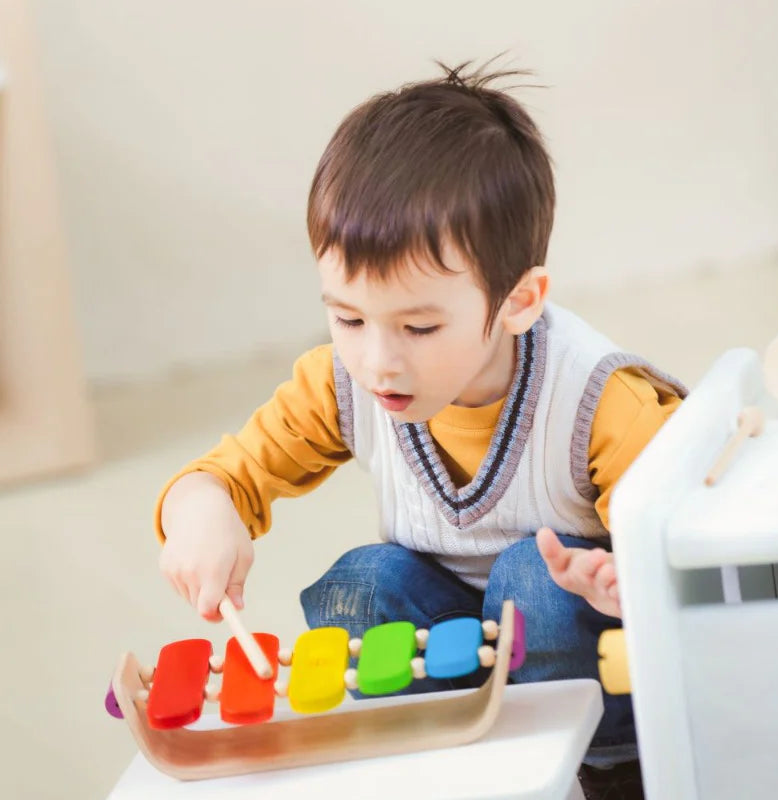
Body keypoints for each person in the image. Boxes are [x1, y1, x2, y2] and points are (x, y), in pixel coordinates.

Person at [155, 61, 686, 799]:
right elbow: (225, 475)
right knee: (362, 585)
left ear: (519, 301)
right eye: (348, 318)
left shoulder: (599, 401)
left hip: (589, 670)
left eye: (419, 327)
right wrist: (203, 512)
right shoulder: (341, 384)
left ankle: (609, 772)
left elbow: (694, 542)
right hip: (456, 651)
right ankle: (445, 755)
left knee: (532, 580)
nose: (378, 360)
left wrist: (629, 584)